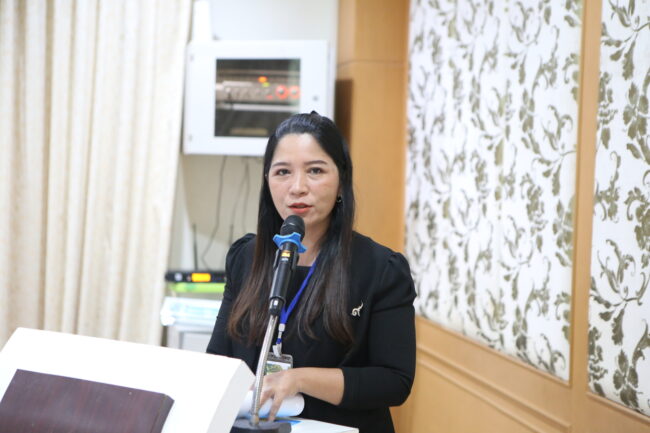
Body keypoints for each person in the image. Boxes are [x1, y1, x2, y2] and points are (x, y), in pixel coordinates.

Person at [207, 112, 416, 433]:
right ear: (267, 180)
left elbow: (393, 381)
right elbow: (218, 360)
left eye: (315, 170)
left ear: (342, 179)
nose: (297, 187)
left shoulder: (381, 268)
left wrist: (298, 379)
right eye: (283, 172)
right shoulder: (245, 257)